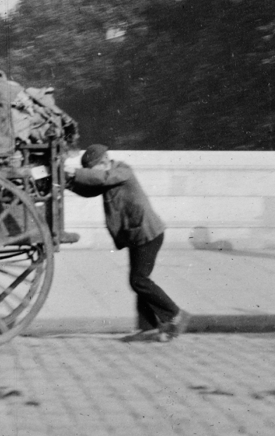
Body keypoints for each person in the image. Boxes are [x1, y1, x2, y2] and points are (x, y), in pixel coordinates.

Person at [65, 144, 190, 342]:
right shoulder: (107, 174)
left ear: (105, 161)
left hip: (148, 234)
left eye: (92, 169)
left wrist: (76, 172)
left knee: (139, 281)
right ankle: (149, 328)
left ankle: (176, 314)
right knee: (140, 281)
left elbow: (102, 179)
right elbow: (91, 189)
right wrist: (67, 182)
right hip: (137, 235)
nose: (92, 174)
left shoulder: (122, 171)